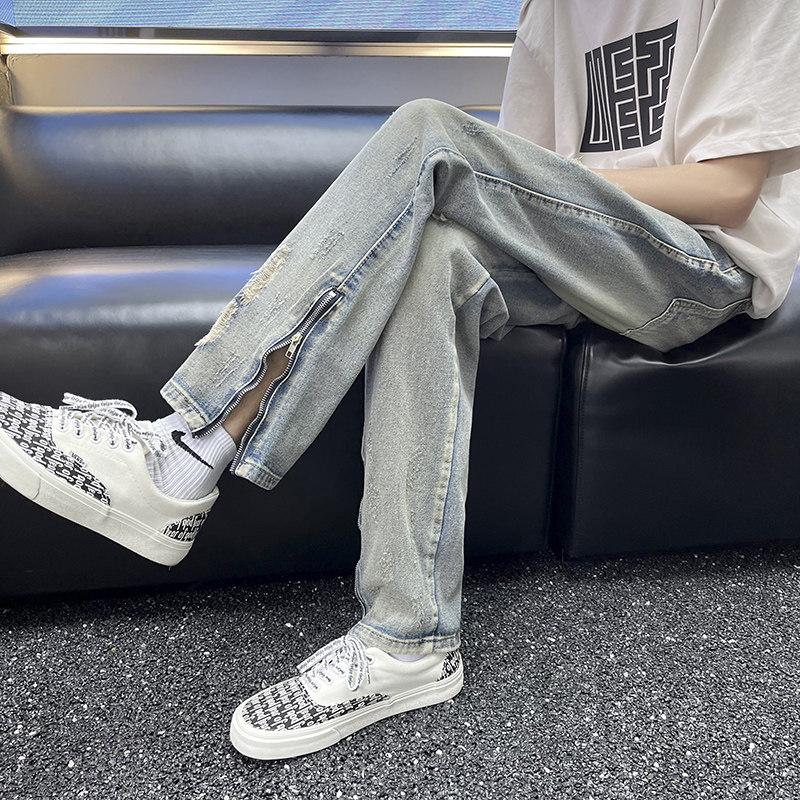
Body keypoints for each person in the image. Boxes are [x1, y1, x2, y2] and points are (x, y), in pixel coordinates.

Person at [1, 0, 799, 761]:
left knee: (429, 129)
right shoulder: (553, 10)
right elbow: (524, 183)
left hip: (696, 266)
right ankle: (408, 638)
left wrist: (519, 181)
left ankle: (186, 447)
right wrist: (514, 185)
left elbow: (727, 191)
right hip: (581, 247)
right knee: (432, 260)